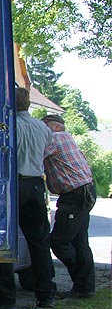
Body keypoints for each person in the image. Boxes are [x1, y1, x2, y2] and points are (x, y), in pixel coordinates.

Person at [0, 87, 57, 309]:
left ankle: (5, 296)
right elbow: (47, 150)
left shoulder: (7, 126)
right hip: (35, 185)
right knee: (39, 242)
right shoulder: (43, 128)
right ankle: (46, 295)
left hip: (13, 184)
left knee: (3, 240)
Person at [41, 114, 97, 299]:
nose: (44, 130)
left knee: (59, 241)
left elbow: (35, 153)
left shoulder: (55, 139)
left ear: (56, 127)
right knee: (80, 241)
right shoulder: (67, 138)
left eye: (46, 126)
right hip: (84, 191)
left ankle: (82, 281)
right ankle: (85, 288)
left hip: (74, 194)